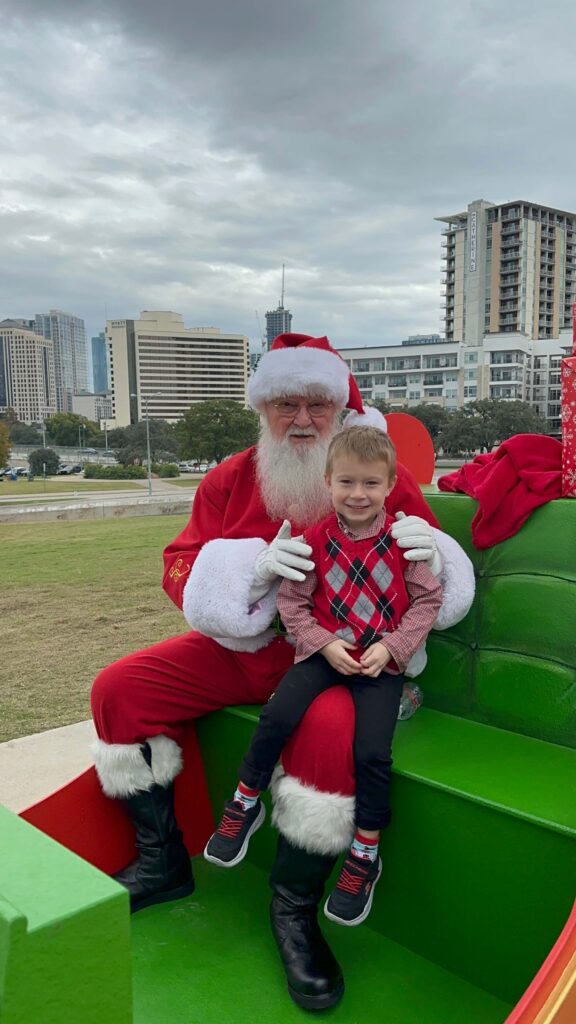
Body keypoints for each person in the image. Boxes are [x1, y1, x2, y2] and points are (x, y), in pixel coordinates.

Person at [91, 333, 475, 1012]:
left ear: (340, 410)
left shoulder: (373, 471)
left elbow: (428, 570)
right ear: (263, 410)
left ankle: (293, 909)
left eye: (317, 405)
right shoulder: (228, 479)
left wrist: (436, 558)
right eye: (285, 404)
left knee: (330, 735)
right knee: (119, 690)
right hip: (244, 648)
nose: (302, 419)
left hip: (340, 657)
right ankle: (164, 863)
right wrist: (247, 573)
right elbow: (180, 568)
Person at [204, 426, 443, 930]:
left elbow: (428, 602)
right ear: (328, 482)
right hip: (323, 651)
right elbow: (291, 602)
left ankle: (365, 852)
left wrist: (393, 648)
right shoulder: (314, 539)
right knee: (277, 716)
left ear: (390, 484)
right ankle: (245, 802)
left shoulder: (402, 542)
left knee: (372, 753)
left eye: (372, 484)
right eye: (347, 483)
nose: (359, 495)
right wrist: (323, 643)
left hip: (379, 661)